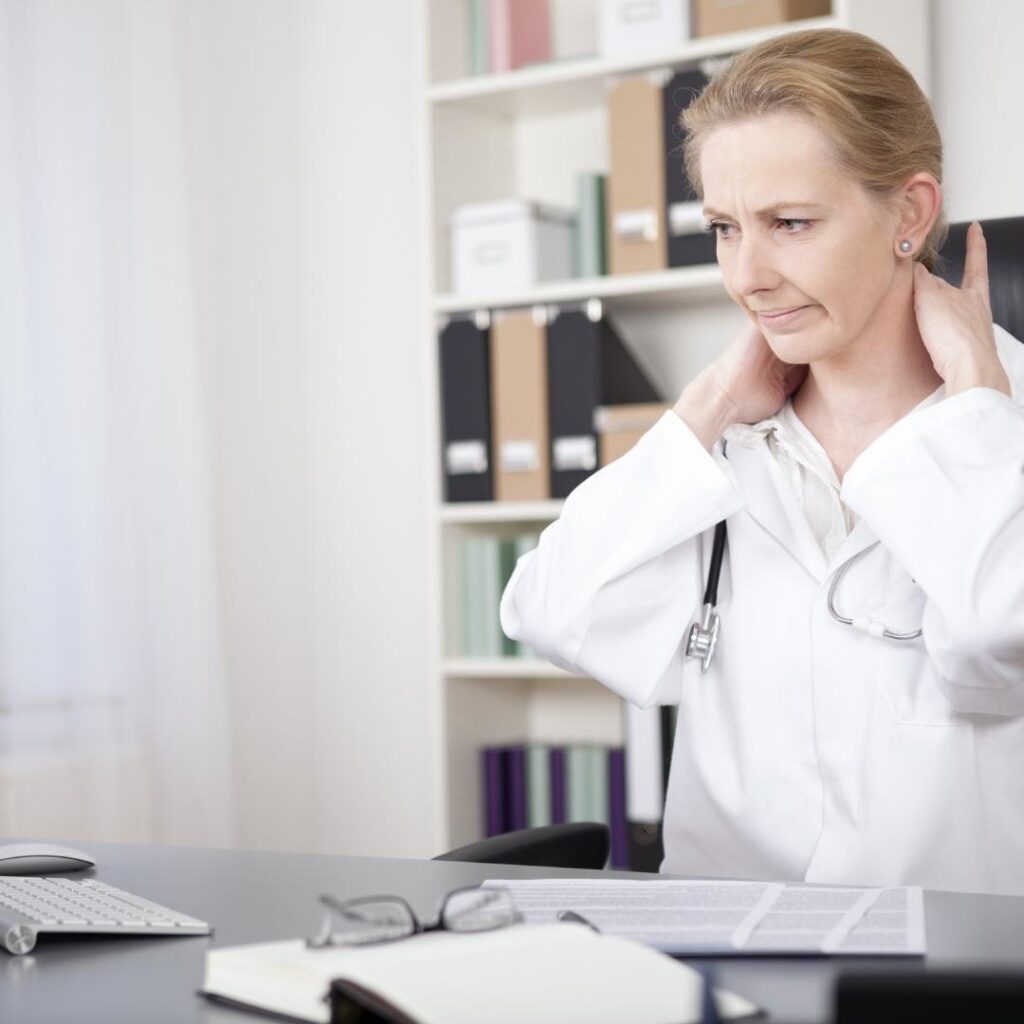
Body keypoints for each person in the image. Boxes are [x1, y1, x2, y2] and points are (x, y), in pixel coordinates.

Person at [500, 28, 1024, 896]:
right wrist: (704, 408)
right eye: (723, 228)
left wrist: (974, 400)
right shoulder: (727, 446)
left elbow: (1003, 634)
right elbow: (552, 614)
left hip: (955, 965)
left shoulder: (1000, 432)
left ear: (910, 212)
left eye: (789, 224)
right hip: (725, 948)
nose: (747, 275)